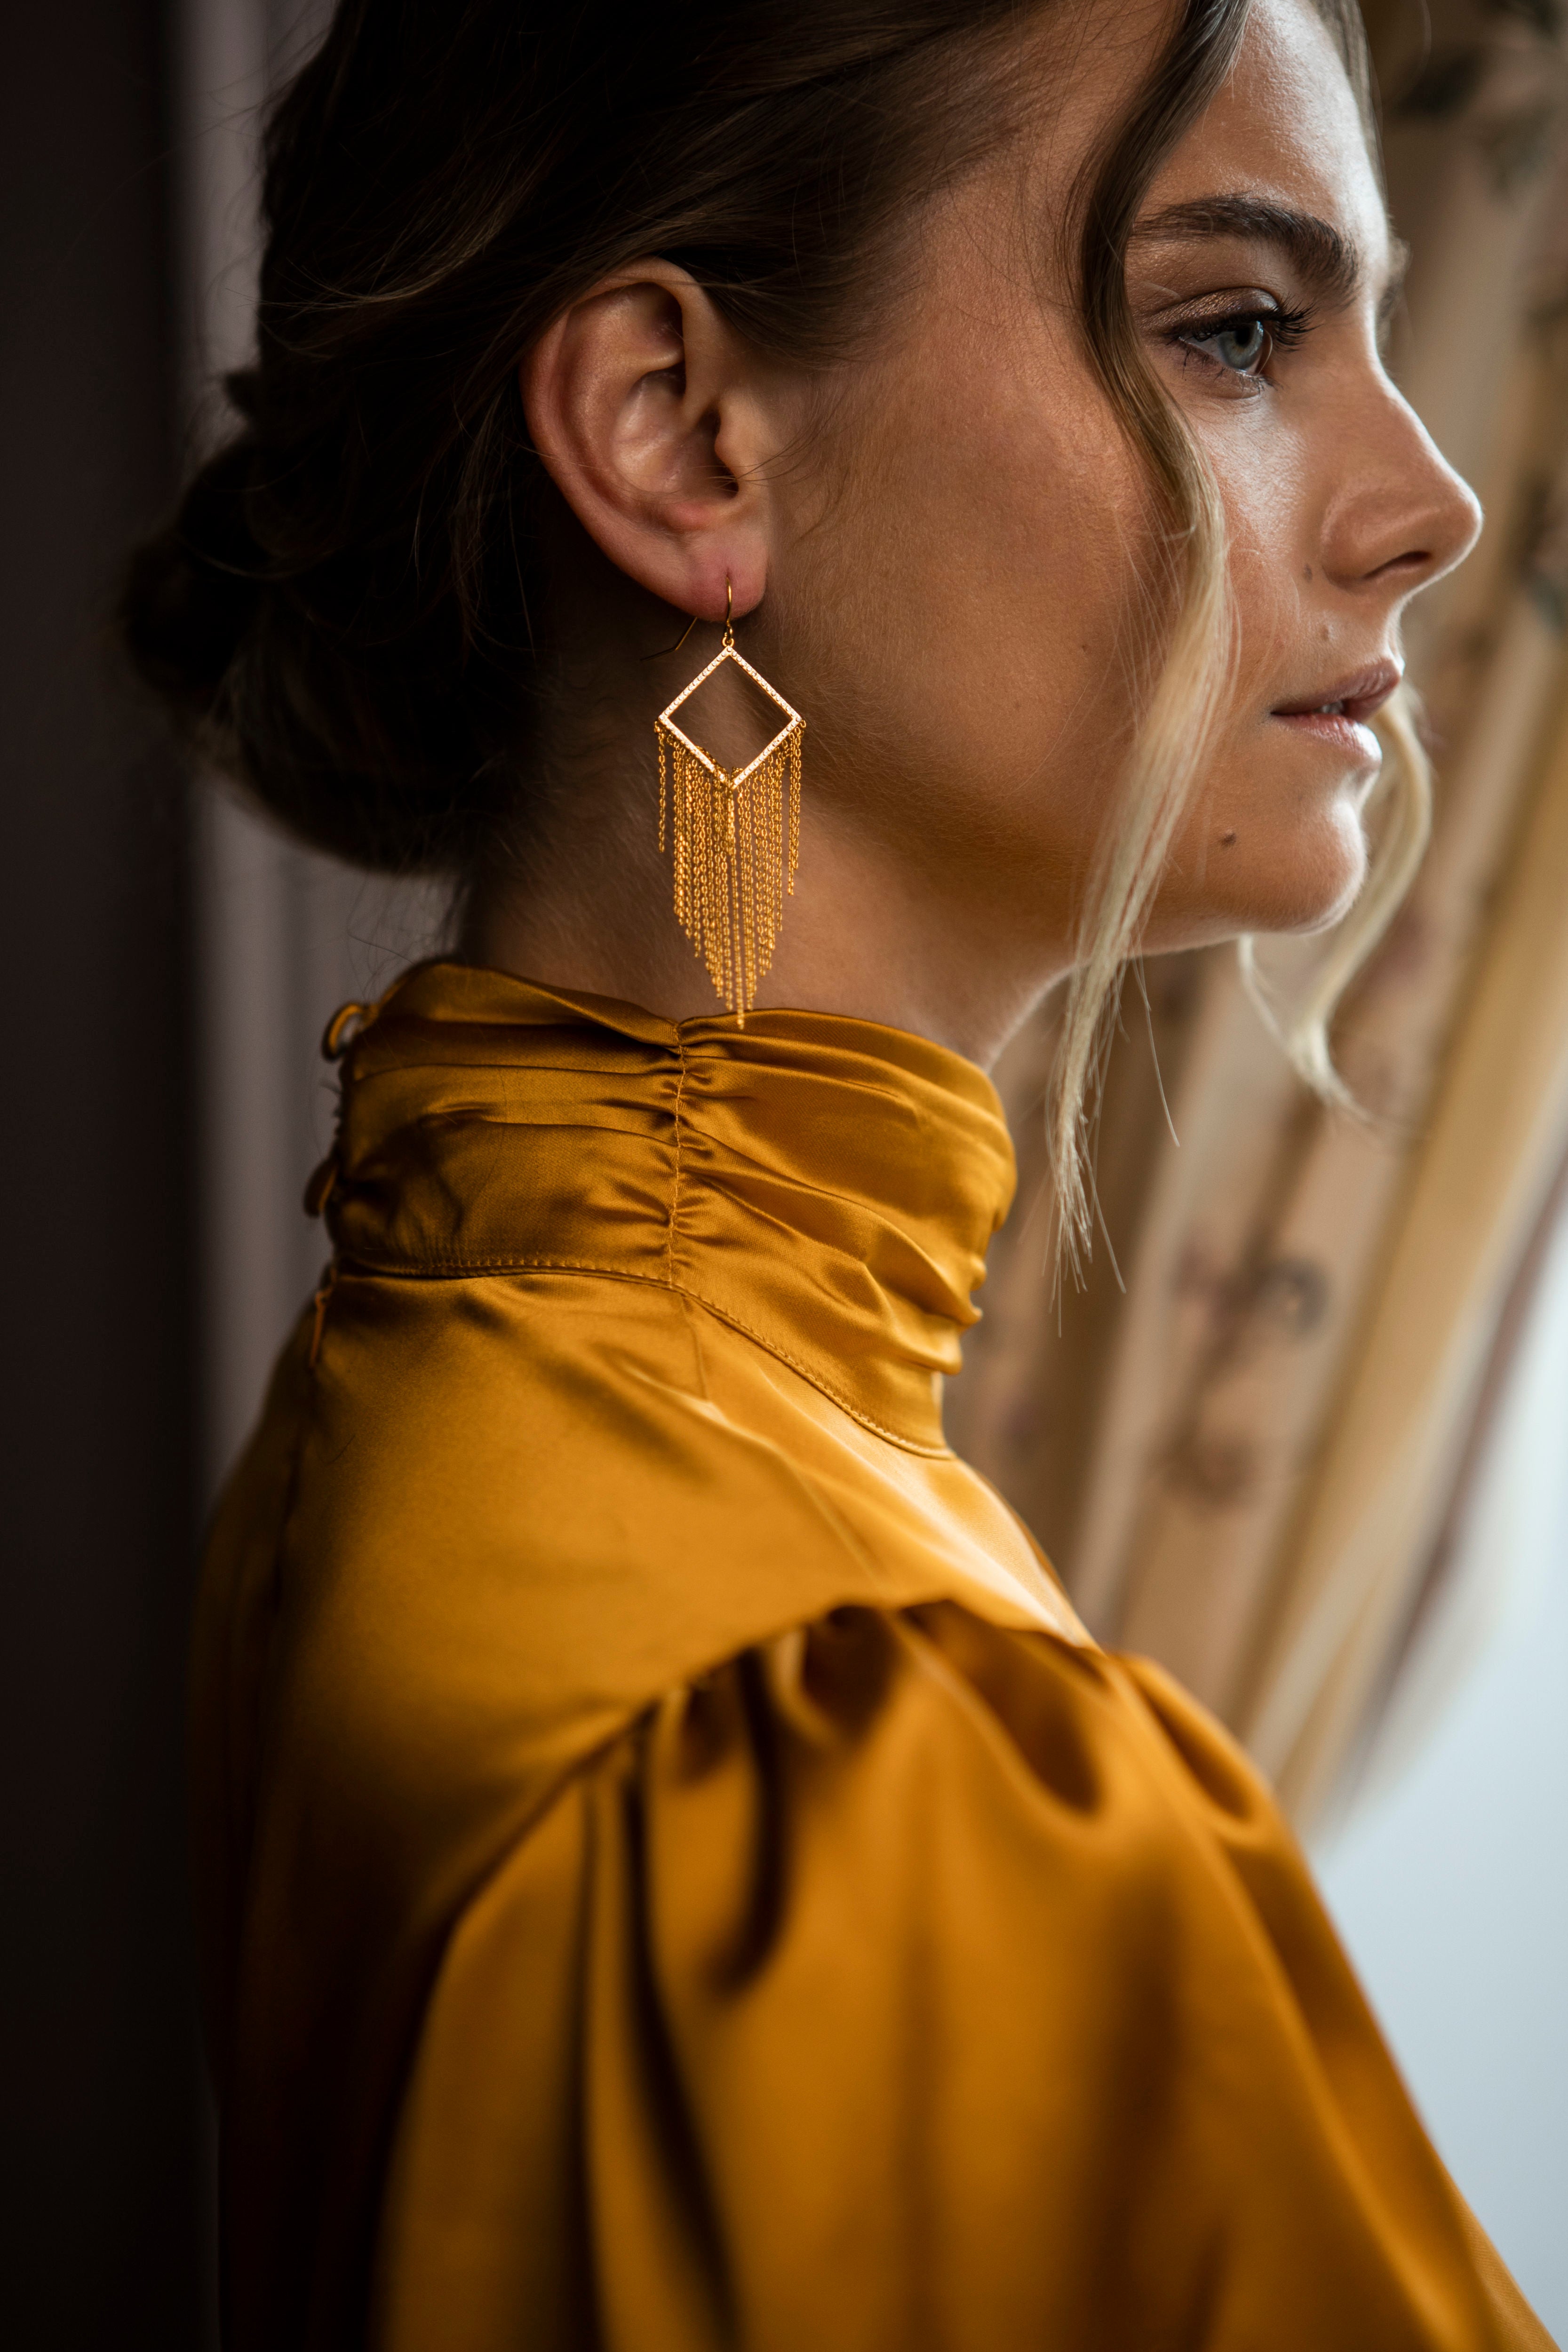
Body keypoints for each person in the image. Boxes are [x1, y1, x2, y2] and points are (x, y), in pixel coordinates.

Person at [124, 0, 1555, 2344]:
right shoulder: (846, 1745)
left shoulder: (424, 1375)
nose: (1432, 504)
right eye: (1236, 330)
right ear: (684, 438)